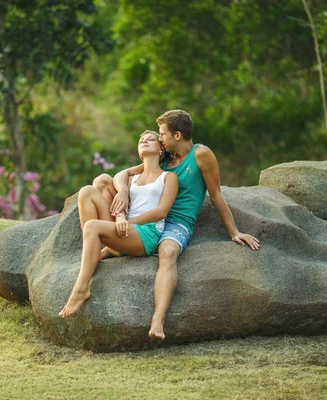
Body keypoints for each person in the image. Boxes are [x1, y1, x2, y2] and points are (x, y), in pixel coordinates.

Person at [98, 110, 260, 339]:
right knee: (103, 183)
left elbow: (215, 195)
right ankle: (110, 246)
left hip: (177, 222)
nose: (160, 138)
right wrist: (123, 190)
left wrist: (234, 231)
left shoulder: (201, 154)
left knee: (168, 252)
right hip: (150, 217)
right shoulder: (164, 157)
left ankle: (158, 320)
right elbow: (124, 173)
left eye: (162, 134)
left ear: (177, 134)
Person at [59, 131, 179, 318]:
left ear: (161, 147)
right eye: (141, 140)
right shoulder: (132, 179)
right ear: (139, 152)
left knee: (92, 226)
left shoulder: (168, 177)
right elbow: (119, 185)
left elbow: (161, 211)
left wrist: (127, 221)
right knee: (87, 191)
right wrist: (121, 212)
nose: (144, 141)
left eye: (150, 139)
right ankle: (97, 252)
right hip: (124, 231)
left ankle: (81, 289)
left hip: (145, 233)